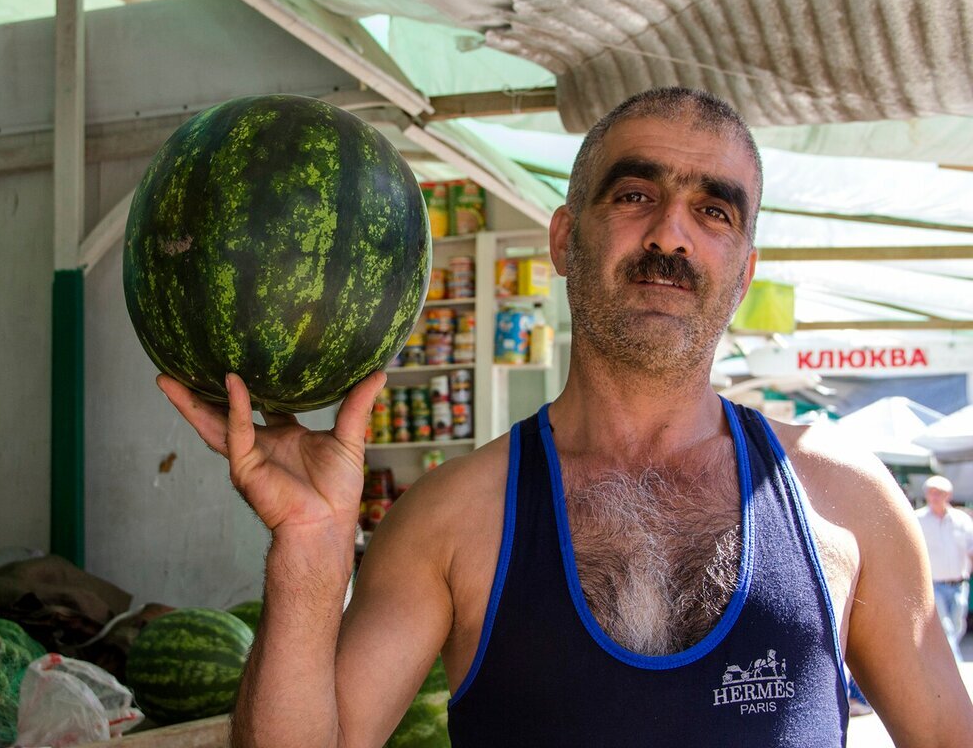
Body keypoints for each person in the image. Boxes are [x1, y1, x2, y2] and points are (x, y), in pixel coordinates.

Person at [159, 87, 973, 746]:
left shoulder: (845, 498)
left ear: (745, 266)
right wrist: (307, 552)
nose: (671, 235)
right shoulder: (450, 520)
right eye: (635, 194)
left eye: (715, 212)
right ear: (562, 237)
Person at [916, 474, 973, 662]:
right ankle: (954, 666)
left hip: (959, 583)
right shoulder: (918, 520)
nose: (935, 497)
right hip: (933, 583)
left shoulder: (961, 520)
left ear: (948, 495)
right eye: (931, 493)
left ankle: (942, 660)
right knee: (946, 628)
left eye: (939, 493)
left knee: (957, 626)